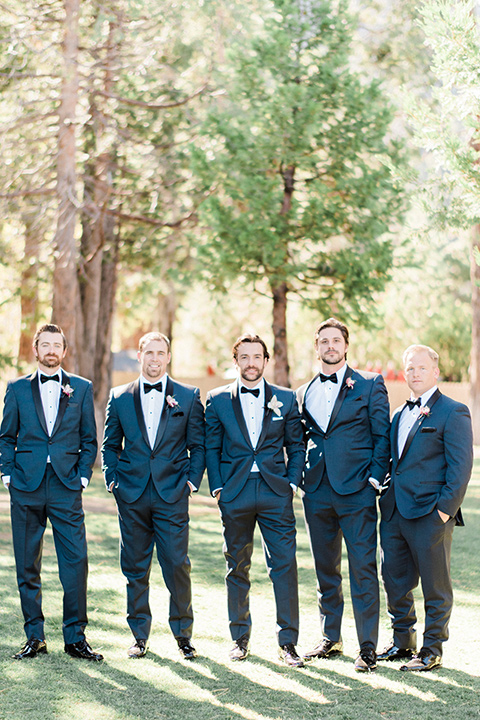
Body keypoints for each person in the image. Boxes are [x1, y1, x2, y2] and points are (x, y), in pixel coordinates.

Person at [0, 323, 102, 661]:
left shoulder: (82, 389)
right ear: (36, 349)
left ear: (64, 350)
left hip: (66, 485)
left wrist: (83, 477)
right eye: (46, 344)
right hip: (25, 486)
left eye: (57, 345)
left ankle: (75, 638)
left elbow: (90, 440)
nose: (51, 351)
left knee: (76, 561)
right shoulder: (16, 389)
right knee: (27, 564)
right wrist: (8, 475)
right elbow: (6, 438)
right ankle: (34, 637)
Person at [102, 331, 205, 660]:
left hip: (172, 494)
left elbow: (198, 446)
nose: (155, 359)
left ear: (169, 357)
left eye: (161, 353)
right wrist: (112, 480)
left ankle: (183, 635)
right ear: (140, 356)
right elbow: (109, 446)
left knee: (177, 564)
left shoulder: (187, 397)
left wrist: (190, 483)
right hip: (130, 495)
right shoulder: (119, 397)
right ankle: (139, 636)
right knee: (135, 567)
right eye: (149, 353)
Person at [205, 334, 305, 667]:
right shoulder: (217, 400)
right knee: (237, 567)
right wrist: (218, 488)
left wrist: (292, 483)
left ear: (266, 360)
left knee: (285, 567)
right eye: (244, 357)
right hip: (235, 492)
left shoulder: (286, 398)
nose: (251, 363)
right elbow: (211, 448)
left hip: (276, 491)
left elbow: (297, 446)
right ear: (236, 361)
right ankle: (239, 639)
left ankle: (288, 643)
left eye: (257, 357)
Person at [297, 318, 390, 672]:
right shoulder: (303, 391)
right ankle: (330, 637)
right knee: (325, 570)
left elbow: (382, 436)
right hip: (316, 490)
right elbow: (302, 437)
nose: (330, 346)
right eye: (324, 341)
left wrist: (372, 479)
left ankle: (367, 646)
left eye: (336, 340)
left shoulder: (369, 384)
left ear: (346, 346)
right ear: (317, 347)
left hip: (357, 492)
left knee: (363, 569)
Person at [378, 344, 473, 671]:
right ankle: (403, 642)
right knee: (393, 579)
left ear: (435, 371)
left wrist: (444, 511)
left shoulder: (453, 411)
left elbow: (460, 467)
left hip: (430, 514)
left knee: (436, 585)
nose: (415, 373)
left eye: (421, 367)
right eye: (410, 368)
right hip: (393, 514)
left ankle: (432, 649)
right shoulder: (398, 414)